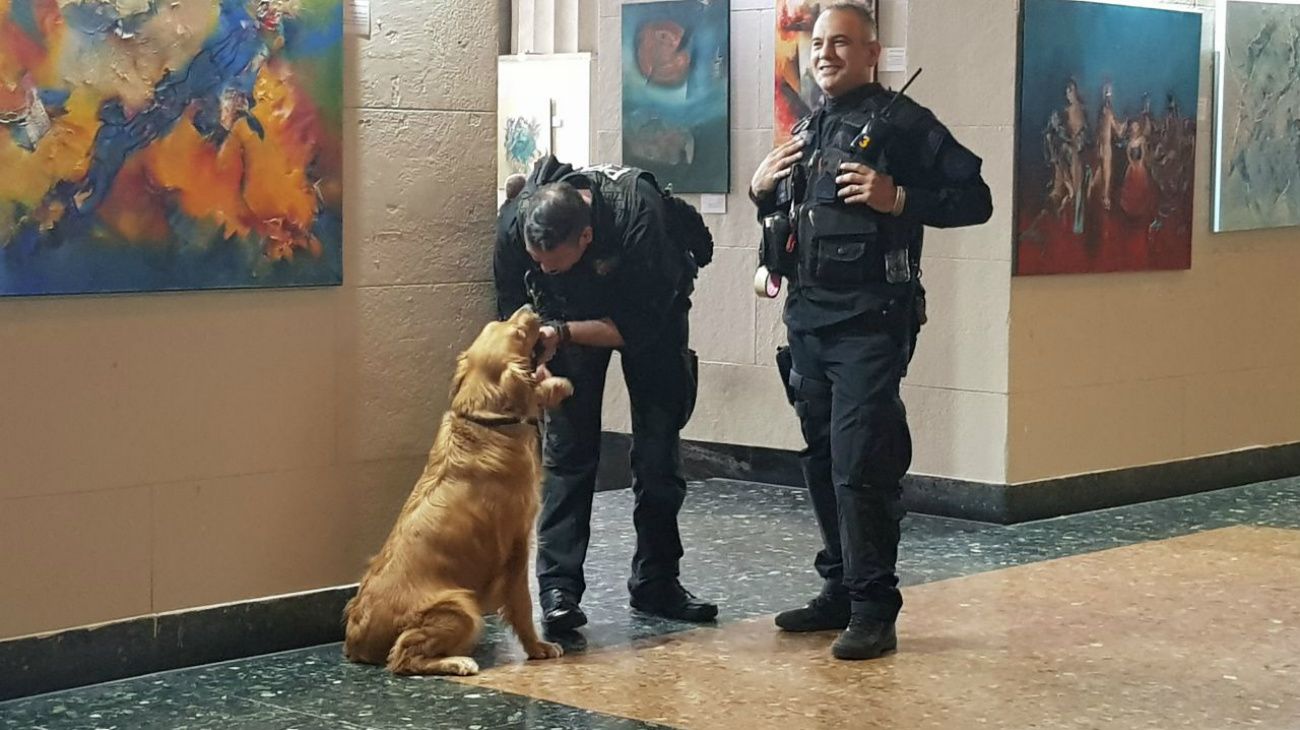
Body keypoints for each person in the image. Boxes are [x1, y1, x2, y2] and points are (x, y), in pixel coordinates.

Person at [749, 2, 992, 661]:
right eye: (818, 42)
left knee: (862, 465)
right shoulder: (811, 123)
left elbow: (978, 197)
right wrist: (758, 187)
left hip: (870, 326)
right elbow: (795, 215)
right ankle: (839, 590)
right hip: (807, 321)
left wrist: (902, 199)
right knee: (823, 461)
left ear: (871, 52)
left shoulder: (905, 124)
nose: (824, 53)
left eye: (840, 43)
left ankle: (873, 608)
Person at [494, 156, 718, 635]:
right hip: (566, 317)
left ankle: (658, 581)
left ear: (587, 238)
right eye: (539, 264)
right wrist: (538, 355)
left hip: (648, 312)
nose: (545, 271)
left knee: (658, 452)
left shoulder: (642, 218)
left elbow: (635, 328)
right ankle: (557, 591)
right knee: (568, 454)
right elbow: (512, 306)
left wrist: (563, 332)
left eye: (556, 264)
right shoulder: (516, 225)